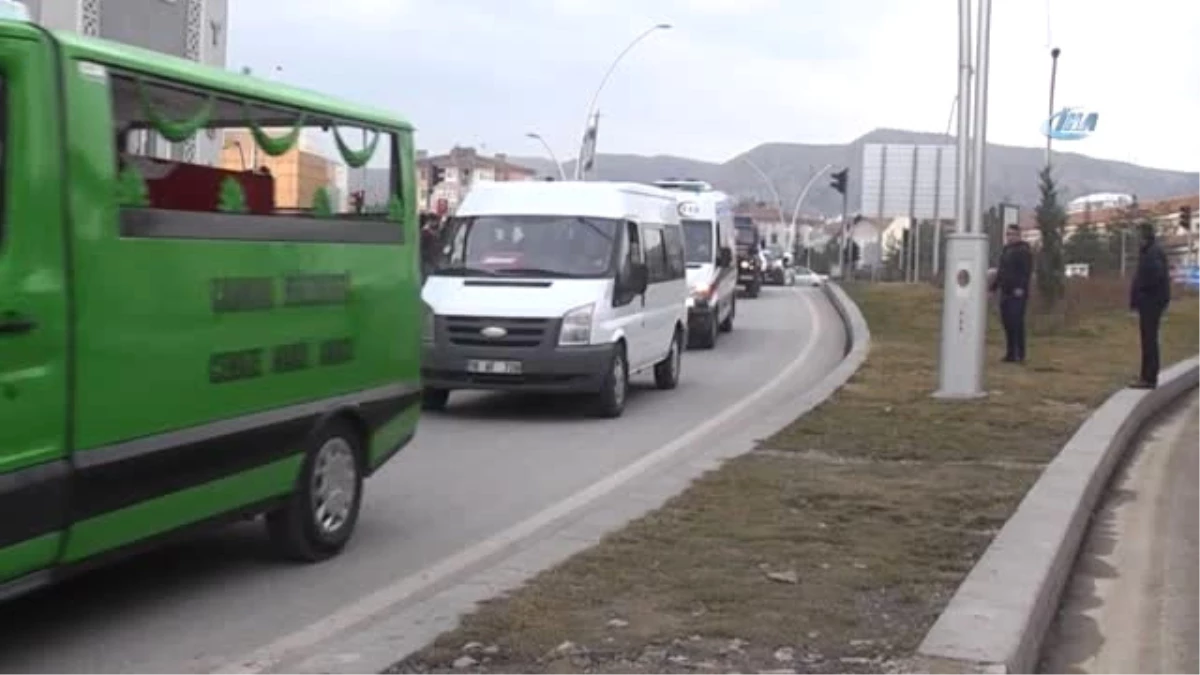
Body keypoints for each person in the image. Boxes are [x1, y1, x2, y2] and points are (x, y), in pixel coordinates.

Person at [1129, 222, 1171, 389]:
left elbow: (1154, 276)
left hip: (1151, 302)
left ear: (1145, 236)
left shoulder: (1153, 253)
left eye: (1138, 235)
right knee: (1148, 339)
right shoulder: (1149, 251)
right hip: (1149, 301)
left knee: (1149, 340)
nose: (1136, 239)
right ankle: (1146, 375)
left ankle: (1148, 378)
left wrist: (1142, 292)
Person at [989, 224, 1033, 363]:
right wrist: (993, 288)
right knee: (1007, 323)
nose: (1010, 237)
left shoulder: (1024, 250)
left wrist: (1021, 287)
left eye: (1013, 234)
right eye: (1008, 234)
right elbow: (1001, 271)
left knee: (1016, 323)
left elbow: (1026, 272)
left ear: (1019, 235)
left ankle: (1020, 354)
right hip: (1005, 291)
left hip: (1017, 293)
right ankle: (1010, 353)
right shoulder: (1006, 250)